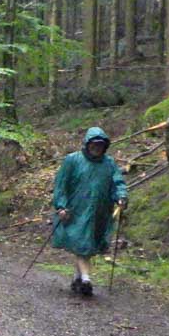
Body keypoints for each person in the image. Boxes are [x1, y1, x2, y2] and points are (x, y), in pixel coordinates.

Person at [51, 126, 128, 297]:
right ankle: (86, 280)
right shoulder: (72, 160)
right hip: (76, 210)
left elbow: (118, 183)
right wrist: (61, 205)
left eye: (100, 145)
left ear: (105, 146)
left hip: (100, 211)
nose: (97, 148)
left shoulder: (109, 164)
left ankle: (77, 278)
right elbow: (61, 185)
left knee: (88, 244)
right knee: (82, 243)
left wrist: (121, 196)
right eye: (94, 144)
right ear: (87, 144)